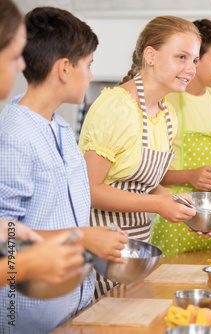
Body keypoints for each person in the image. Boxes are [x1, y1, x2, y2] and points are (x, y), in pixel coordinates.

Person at [0, 6, 128, 333]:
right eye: (89, 65)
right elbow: (6, 237)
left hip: (74, 306)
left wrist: (94, 238)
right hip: (29, 318)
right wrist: (82, 237)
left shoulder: (60, 128)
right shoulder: (14, 135)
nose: (92, 75)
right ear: (65, 69)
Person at [78, 16, 206, 297]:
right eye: (181, 57)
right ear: (150, 55)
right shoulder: (117, 107)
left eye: (195, 60)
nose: (190, 69)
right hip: (101, 250)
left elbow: (143, 185)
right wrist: (159, 205)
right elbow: (88, 190)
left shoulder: (166, 114)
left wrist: (180, 207)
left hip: (135, 252)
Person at [151, 19, 211, 256]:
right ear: (195, 59)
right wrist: (190, 176)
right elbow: (147, 172)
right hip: (174, 212)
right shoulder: (167, 102)